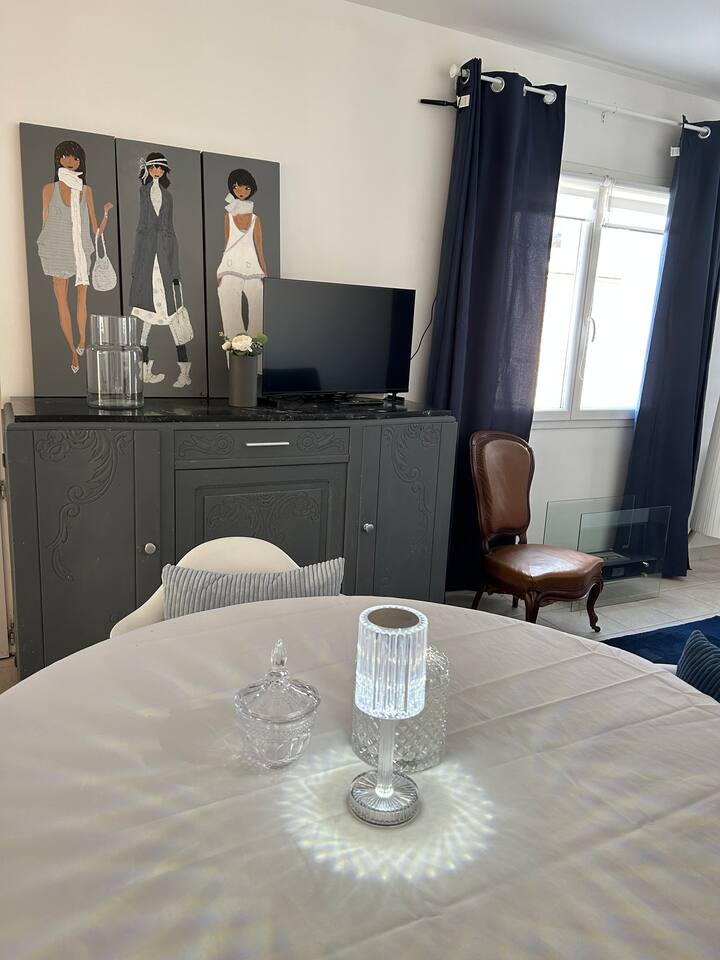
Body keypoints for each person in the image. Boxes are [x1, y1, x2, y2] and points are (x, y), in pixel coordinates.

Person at [37, 140, 113, 374]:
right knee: (62, 302)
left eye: (75, 158)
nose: (70, 161)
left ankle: (82, 339)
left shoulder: (86, 191)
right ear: (58, 160)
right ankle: (72, 349)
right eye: (66, 156)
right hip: (57, 252)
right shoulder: (48, 190)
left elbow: (95, 230)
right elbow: (45, 223)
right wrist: (46, 247)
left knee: (81, 301)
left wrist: (106, 214)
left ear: (81, 162)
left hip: (81, 252)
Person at [129, 152, 193, 388]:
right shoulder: (143, 192)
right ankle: (144, 372)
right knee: (146, 319)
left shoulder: (168, 196)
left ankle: (184, 373)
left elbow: (170, 229)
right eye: (153, 167)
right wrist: (136, 266)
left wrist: (174, 269)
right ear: (148, 169)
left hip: (164, 259)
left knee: (174, 318)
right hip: (148, 260)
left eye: (160, 168)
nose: (156, 171)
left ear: (164, 171)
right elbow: (141, 226)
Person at [217, 168, 268, 343]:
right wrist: (220, 270)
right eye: (236, 187)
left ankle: (257, 358)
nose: (241, 191)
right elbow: (227, 243)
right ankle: (234, 357)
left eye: (246, 188)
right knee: (230, 318)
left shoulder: (255, 219)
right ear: (232, 188)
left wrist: (265, 272)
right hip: (229, 269)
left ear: (251, 190)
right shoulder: (228, 217)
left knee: (258, 318)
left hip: (253, 270)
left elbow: (260, 247)